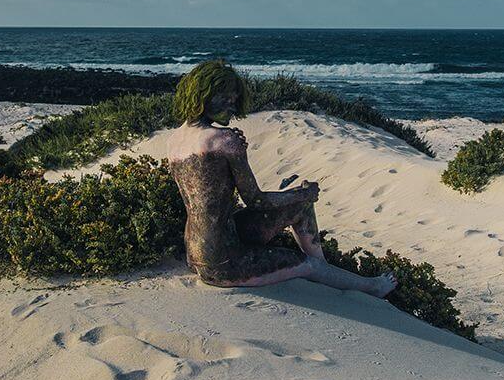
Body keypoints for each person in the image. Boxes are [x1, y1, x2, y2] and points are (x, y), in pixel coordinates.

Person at [166, 60, 397, 297]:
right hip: (222, 263)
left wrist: (298, 197)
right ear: (203, 94)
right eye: (225, 98)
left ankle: (325, 271)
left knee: (300, 203)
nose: (233, 106)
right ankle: (364, 285)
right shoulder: (224, 140)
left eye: (234, 99)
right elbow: (256, 201)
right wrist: (304, 193)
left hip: (195, 252)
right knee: (308, 262)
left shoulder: (174, 140)